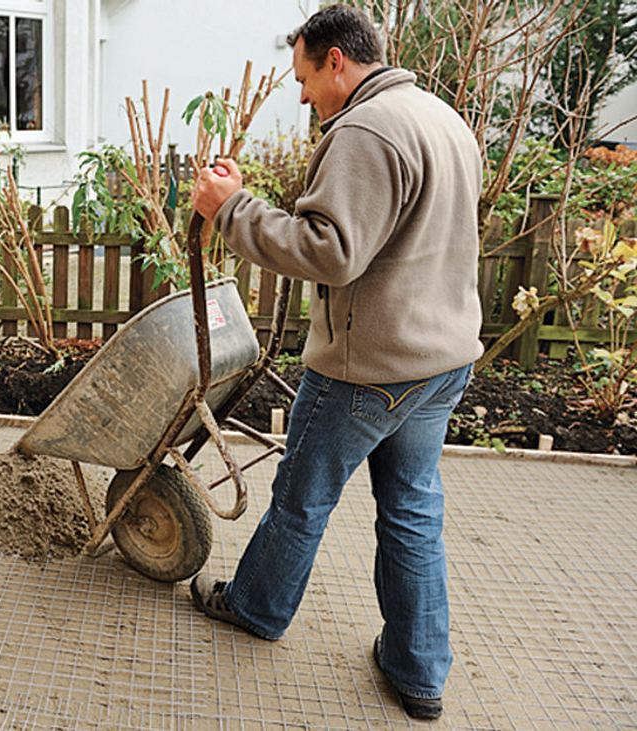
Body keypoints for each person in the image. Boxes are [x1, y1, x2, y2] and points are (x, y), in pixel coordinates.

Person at [189, 4, 483, 721]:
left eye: (304, 77)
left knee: (301, 495)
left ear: (337, 63)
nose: (301, 94)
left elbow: (331, 250)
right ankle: (418, 672)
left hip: (370, 367)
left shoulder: (363, 129)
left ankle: (257, 606)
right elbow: (381, 230)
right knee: (412, 508)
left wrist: (230, 209)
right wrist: (250, 200)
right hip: (441, 358)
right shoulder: (441, 118)